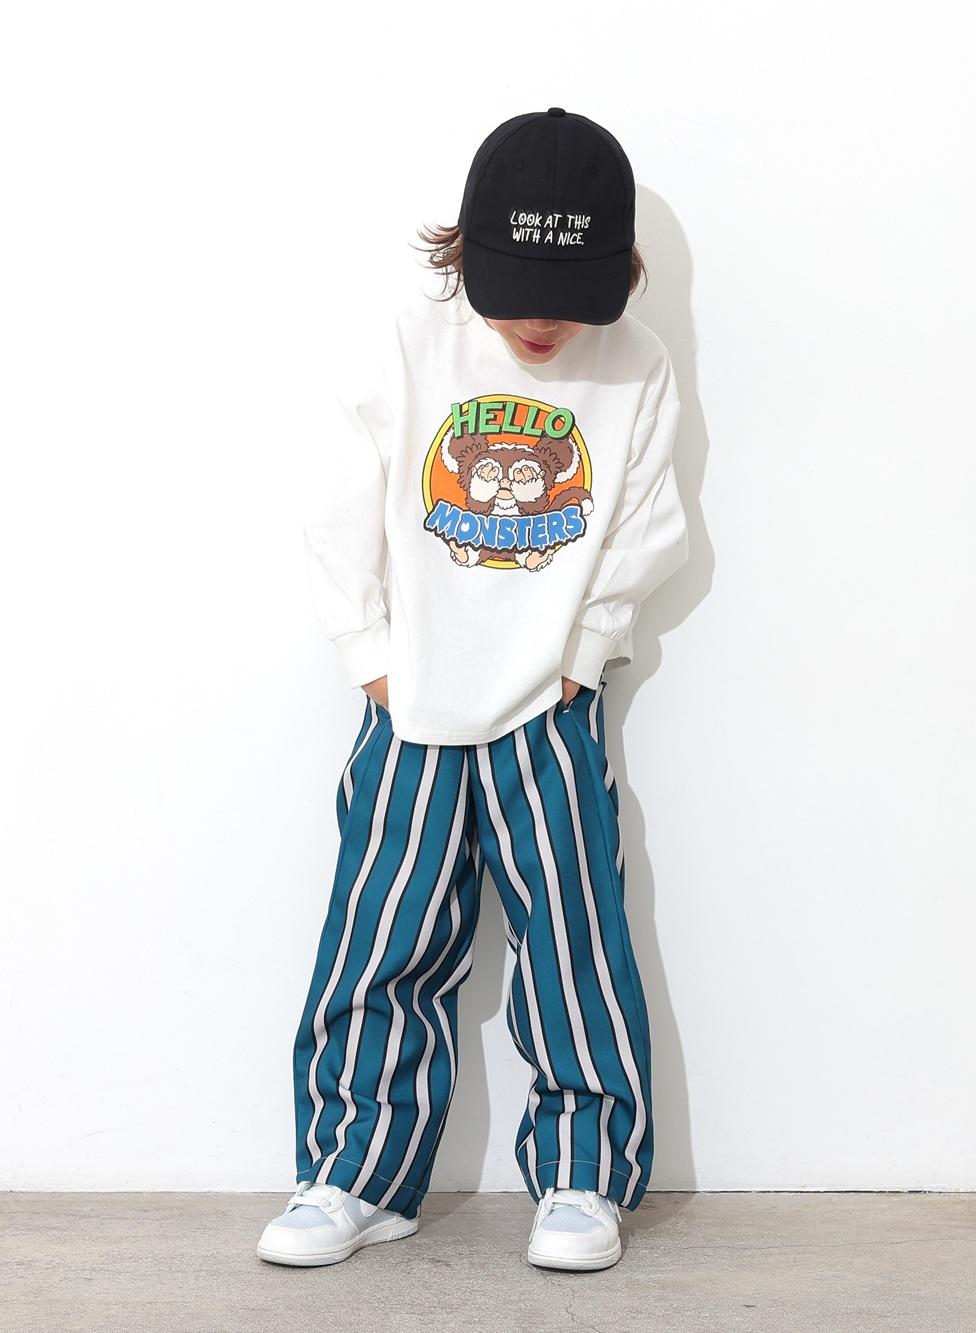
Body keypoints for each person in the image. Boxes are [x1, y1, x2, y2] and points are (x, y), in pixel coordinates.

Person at [256, 107, 689, 1274]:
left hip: (550, 706)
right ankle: (355, 1175)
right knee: (378, 941)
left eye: (569, 297)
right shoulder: (408, 343)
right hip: (411, 703)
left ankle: (583, 1178)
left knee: (573, 943)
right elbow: (337, 503)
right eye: (515, 293)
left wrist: (583, 654)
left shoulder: (633, 363)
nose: (542, 323)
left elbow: (646, 526)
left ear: (618, 271)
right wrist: (369, 652)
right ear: (466, 253)